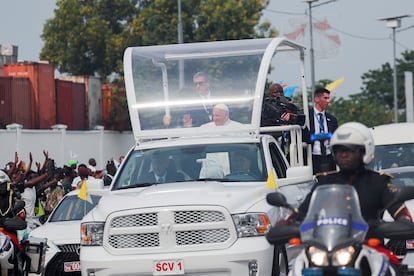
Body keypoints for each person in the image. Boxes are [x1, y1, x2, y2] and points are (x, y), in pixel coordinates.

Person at [296, 122, 412, 226]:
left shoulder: (378, 181)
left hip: (369, 245)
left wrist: (403, 222)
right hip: (329, 245)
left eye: (349, 150)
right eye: (339, 150)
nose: (343, 155)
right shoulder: (324, 182)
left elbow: (400, 211)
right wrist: (286, 224)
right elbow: (301, 213)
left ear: (365, 151)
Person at [309, 87, 338, 174]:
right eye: (325, 98)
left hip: (328, 156)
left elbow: (335, 137)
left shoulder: (331, 119)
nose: (328, 101)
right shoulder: (307, 116)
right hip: (313, 156)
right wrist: (315, 137)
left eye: (328, 98)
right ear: (316, 99)